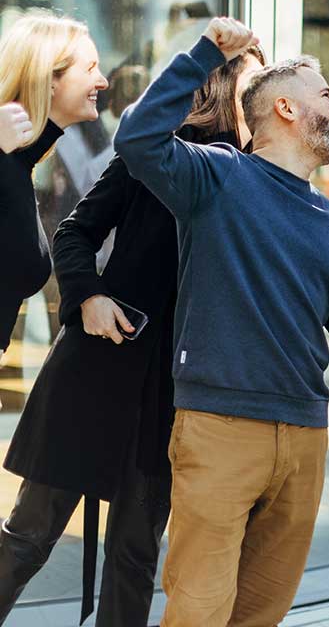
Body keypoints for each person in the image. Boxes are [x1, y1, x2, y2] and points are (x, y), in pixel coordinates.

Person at [114, 17, 329, 627]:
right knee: (200, 609)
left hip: (306, 435)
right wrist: (206, 53)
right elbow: (137, 139)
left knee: (262, 612)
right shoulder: (218, 176)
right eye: (326, 95)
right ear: (285, 107)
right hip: (221, 427)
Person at [0, 46, 264, 626]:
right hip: (96, 367)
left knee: (135, 553)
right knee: (28, 536)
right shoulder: (156, 155)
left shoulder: (260, 177)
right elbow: (74, 233)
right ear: (225, 89)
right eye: (254, 73)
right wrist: (87, 297)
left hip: (171, 393)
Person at [0, 14, 109, 369]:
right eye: (90, 68)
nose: (103, 81)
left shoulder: (18, 164)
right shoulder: (7, 161)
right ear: (49, 80)